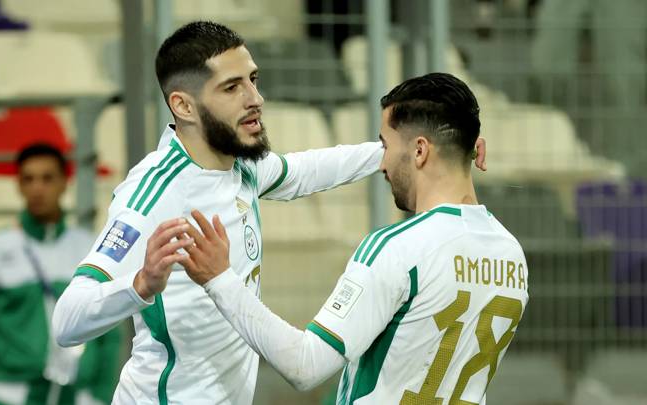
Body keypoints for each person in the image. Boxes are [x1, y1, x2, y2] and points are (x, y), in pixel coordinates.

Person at [52, 21, 487, 404]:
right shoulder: (151, 193)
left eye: (253, 79)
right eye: (231, 87)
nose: (255, 98)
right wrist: (141, 283)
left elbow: (303, 171)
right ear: (183, 106)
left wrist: (409, 152)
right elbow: (67, 321)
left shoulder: (240, 165)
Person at [178, 73, 528, 404]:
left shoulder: (398, 247)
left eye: (384, 146)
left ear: (420, 151)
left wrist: (220, 280)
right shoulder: (511, 252)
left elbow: (305, 365)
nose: (382, 163)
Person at [0, 144, 122, 405]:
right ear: (18, 185)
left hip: (78, 397)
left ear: (65, 182)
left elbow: (110, 335)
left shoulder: (91, 248)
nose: (37, 188)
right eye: (28, 179)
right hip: (9, 397)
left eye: (47, 178)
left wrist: (101, 396)